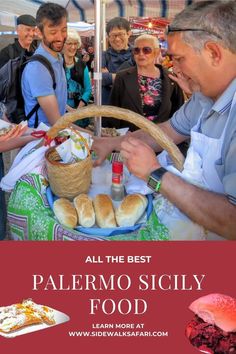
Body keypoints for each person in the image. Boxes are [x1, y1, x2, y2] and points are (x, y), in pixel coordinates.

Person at [92, 0, 236, 240]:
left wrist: (155, 173)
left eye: (179, 59)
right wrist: (115, 143)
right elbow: (166, 131)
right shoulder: (203, 98)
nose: (175, 69)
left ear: (214, 53)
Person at [108, 34, 184, 131]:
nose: (141, 54)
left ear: (157, 52)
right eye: (136, 50)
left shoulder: (171, 78)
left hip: (161, 138)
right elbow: (113, 110)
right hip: (130, 138)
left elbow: (178, 112)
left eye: (146, 50)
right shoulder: (122, 77)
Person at [21, 2, 68, 128]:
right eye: (53, 32)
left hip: (58, 133)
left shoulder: (57, 57)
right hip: (43, 138)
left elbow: (56, 96)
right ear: (39, 33)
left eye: (64, 30)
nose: (60, 37)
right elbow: (57, 123)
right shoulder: (38, 69)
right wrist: (97, 139)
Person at [101, 17, 135, 106]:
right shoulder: (103, 55)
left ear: (128, 34)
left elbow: (139, 79)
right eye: (113, 35)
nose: (117, 39)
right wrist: (127, 76)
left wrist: (110, 77)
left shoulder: (137, 54)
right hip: (108, 105)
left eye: (121, 34)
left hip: (130, 106)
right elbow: (100, 78)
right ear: (108, 36)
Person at [63, 29, 92, 128]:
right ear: (63, 45)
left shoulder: (82, 64)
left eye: (75, 43)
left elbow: (88, 89)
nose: (73, 47)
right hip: (61, 112)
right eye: (69, 43)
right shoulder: (56, 64)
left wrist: (77, 110)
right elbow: (53, 92)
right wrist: (69, 109)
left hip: (80, 112)